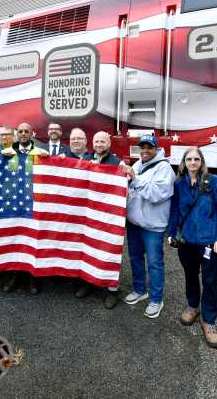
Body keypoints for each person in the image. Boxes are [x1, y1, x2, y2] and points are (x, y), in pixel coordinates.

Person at [167, 147, 217, 348]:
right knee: (190, 276)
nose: (192, 162)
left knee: (210, 281)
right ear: (183, 162)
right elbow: (175, 210)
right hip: (187, 242)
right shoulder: (179, 184)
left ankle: (209, 320)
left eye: (196, 159)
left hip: (210, 242)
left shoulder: (214, 181)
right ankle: (193, 306)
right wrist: (171, 233)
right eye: (188, 159)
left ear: (202, 162)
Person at [122, 134, 175, 318]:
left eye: (148, 147)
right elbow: (130, 189)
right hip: (135, 223)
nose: (144, 151)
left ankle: (156, 300)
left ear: (156, 148)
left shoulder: (165, 168)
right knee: (135, 257)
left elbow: (155, 194)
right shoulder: (137, 164)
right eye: (142, 147)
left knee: (154, 263)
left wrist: (135, 180)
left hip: (153, 226)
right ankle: (139, 290)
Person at [74, 131, 124, 309]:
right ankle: (89, 283)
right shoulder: (85, 160)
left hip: (109, 217)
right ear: (92, 143)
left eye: (103, 141)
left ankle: (112, 290)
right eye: (96, 141)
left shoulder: (118, 163)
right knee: (88, 250)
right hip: (89, 215)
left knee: (109, 251)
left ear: (109, 144)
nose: (99, 144)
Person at [1, 122, 48, 294]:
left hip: (34, 202)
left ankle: (32, 278)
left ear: (32, 133)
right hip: (13, 204)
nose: (23, 134)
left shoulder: (41, 153)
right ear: (16, 134)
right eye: (20, 131)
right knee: (15, 239)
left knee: (32, 240)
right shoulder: (7, 152)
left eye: (26, 131)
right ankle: (14, 276)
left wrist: (50, 159)